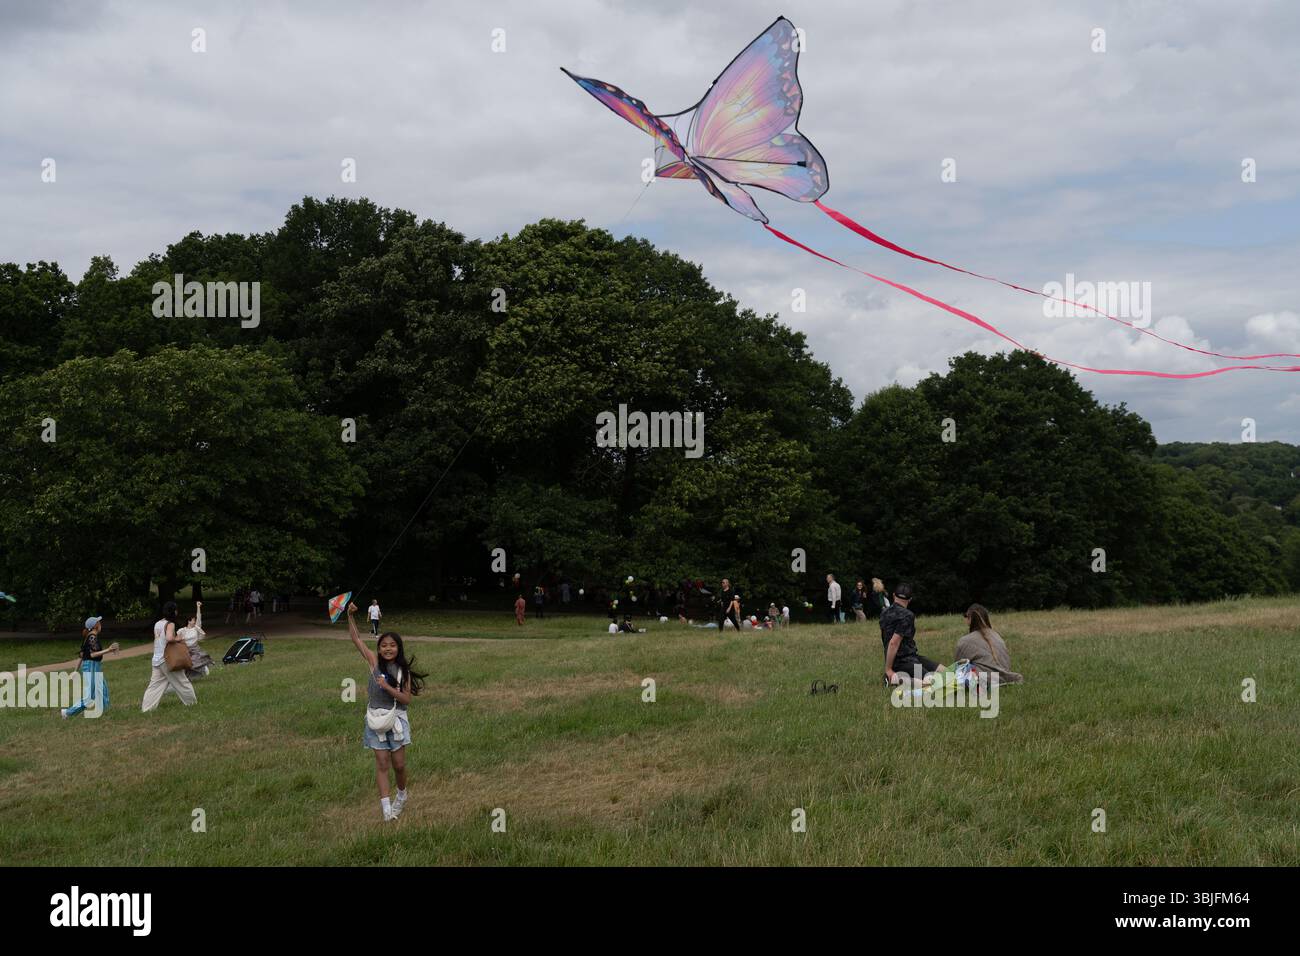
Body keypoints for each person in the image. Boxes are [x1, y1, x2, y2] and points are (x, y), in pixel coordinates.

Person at [346, 602, 426, 822]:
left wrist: (388, 687)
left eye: (392, 645)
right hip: (375, 719)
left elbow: (406, 699)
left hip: (396, 720)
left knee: (399, 765)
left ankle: (402, 795)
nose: (388, 648)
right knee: (382, 763)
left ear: (398, 648)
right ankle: (386, 809)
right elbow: (356, 639)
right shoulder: (373, 663)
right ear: (379, 649)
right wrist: (349, 616)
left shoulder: (403, 671)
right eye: (383, 645)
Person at [878, 583, 943, 686]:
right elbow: (893, 643)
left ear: (894, 595)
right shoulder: (907, 615)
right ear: (910, 599)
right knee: (931, 681)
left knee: (943, 670)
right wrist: (888, 669)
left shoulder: (884, 613)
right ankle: (892, 678)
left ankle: (896, 676)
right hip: (902, 662)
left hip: (911, 657)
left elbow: (884, 639)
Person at [142, 601, 197, 711]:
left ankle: (146, 708)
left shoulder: (158, 623)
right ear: (173, 611)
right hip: (167, 659)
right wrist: (179, 638)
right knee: (182, 682)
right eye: (176, 609)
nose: (177, 611)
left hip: (157, 659)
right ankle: (192, 704)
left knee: (154, 686)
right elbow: (169, 638)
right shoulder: (170, 624)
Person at [61, 616, 119, 718]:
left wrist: (75, 671)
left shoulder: (88, 637)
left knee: (103, 689)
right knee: (90, 696)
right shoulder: (92, 637)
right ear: (95, 626)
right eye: (99, 622)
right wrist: (109, 650)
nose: (100, 624)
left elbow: (81, 655)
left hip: (92, 666)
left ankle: (106, 712)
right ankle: (68, 713)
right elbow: (92, 655)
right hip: (92, 666)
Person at [955, 604, 1023, 684]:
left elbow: (959, 668)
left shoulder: (965, 641)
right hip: (1004, 677)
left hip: (986, 680)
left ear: (969, 618)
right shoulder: (996, 635)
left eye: (965, 616)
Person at [177, 601, 215, 680]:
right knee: (186, 665)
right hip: (185, 650)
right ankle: (187, 678)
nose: (194, 621)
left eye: (195, 620)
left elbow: (199, 617)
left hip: (195, 648)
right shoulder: (182, 630)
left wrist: (198, 607)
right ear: (189, 621)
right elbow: (178, 640)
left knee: (195, 662)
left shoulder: (196, 628)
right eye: (193, 620)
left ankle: (203, 668)